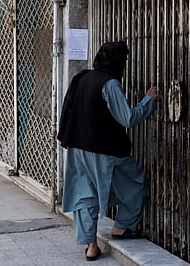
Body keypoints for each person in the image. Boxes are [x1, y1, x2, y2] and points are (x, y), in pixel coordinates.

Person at [57, 41, 158, 261]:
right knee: (134, 180)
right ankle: (122, 226)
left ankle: (91, 246)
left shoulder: (82, 78)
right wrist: (149, 100)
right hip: (105, 149)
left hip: (77, 147)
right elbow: (128, 118)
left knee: (85, 194)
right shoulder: (110, 84)